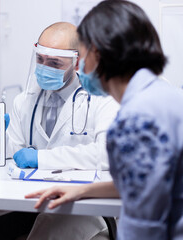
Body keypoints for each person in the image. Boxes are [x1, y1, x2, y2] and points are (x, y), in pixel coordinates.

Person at [26, 1, 183, 239]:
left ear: (97, 53)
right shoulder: (162, 94)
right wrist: (84, 190)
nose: (80, 67)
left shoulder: (136, 117)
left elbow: (146, 222)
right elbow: (144, 182)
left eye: (82, 55)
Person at [0, 22, 120, 240]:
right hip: (32, 196)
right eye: (40, 60)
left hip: (84, 202)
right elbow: (16, 153)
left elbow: (107, 155)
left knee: (48, 232)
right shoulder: (25, 100)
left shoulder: (100, 98)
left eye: (55, 63)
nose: (44, 67)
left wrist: (42, 158)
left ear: (77, 63)